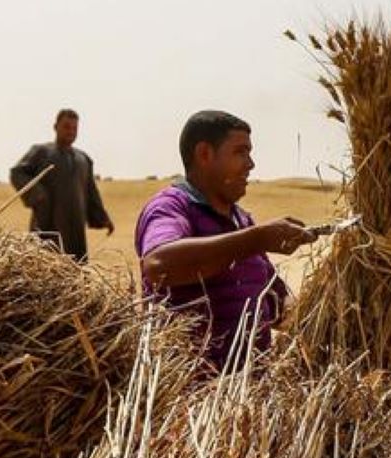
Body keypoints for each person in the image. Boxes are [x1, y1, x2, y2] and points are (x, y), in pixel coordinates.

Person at [135, 110, 317, 372]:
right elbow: (159, 264)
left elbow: (274, 300)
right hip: (191, 398)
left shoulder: (242, 221)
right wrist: (259, 239)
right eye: (240, 152)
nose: (251, 164)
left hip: (246, 399)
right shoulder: (171, 207)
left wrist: (319, 312)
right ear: (205, 154)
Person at [8, 108, 114, 261]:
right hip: (47, 225)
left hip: (76, 228)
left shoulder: (83, 159)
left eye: (74, 128)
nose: (70, 131)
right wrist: (38, 195)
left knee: (76, 270)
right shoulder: (41, 152)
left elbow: (91, 192)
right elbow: (17, 172)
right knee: (44, 270)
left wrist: (103, 218)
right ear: (55, 127)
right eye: (66, 127)